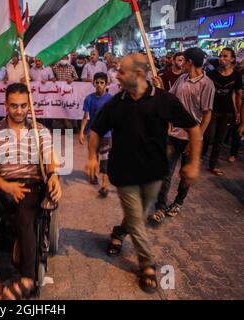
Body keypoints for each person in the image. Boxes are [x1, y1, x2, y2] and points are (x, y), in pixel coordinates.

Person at [85, 53, 201, 293]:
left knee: (135, 215)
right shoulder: (117, 102)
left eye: (121, 72)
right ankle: (146, 264)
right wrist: (91, 158)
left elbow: (193, 128)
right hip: (124, 172)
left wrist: (193, 163)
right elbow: (96, 129)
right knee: (137, 217)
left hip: (154, 172)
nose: (116, 75)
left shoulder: (164, 100)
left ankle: (118, 233)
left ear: (138, 74)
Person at [0, 83, 62, 300]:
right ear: (6, 105)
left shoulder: (39, 131)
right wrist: (5, 186)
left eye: (23, 106)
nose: (19, 110)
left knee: (26, 216)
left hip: (31, 185)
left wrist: (53, 175)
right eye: (14, 106)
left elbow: (50, 157)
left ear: (29, 105)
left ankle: (27, 279)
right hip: (3, 183)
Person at [149, 48, 214, 224]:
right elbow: (169, 99)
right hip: (174, 134)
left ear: (190, 62)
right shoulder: (182, 79)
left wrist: (196, 140)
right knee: (166, 172)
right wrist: (159, 87)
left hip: (192, 138)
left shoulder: (207, 84)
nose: (180, 63)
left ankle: (178, 202)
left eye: (183, 60)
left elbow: (207, 114)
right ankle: (160, 207)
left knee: (186, 174)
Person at [204, 48, 243, 176]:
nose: (222, 58)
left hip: (227, 112)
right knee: (209, 136)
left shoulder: (236, 75)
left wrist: (237, 112)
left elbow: (238, 94)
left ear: (232, 59)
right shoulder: (211, 74)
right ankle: (200, 154)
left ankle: (212, 164)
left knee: (219, 140)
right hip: (212, 111)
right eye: (221, 56)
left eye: (225, 56)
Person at [79, 72, 112, 196]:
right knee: (93, 156)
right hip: (92, 133)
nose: (99, 85)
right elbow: (85, 116)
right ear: (93, 83)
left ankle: (104, 184)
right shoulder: (89, 98)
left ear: (106, 84)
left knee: (105, 159)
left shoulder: (110, 99)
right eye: (97, 83)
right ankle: (93, 175)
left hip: (106, 134)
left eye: (101, 83)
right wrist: (81, 132)